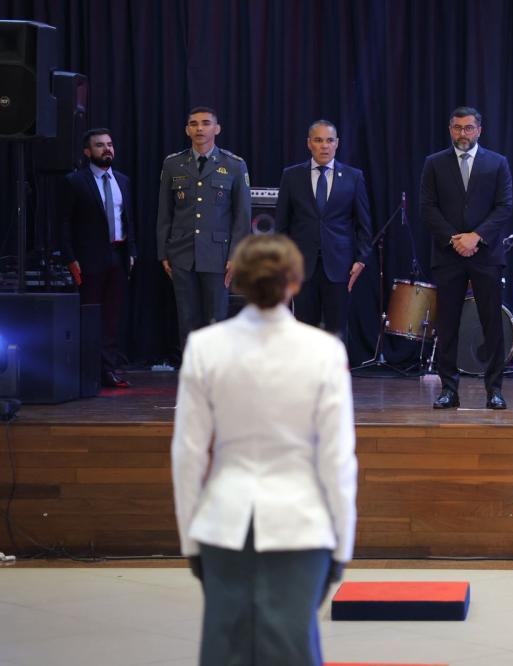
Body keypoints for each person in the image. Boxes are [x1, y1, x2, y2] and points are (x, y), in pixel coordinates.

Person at [171, 234, 357, 666]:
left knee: (225, 652)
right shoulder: (324, 351)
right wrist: (343, 545)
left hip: (222, 523)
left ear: (237, 279)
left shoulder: (205, 346)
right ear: (295, 281)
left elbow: (188, 456)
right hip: (301, 525)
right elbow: (337, 461)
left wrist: (189, 541)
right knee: (294, 651)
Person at [419, 106, 513, 410]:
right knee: (447, 324)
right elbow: (428, 207)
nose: (463, 133)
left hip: (485, 254)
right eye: (458, 127)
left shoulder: (497, 163)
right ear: (450, 129)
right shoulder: (434, 163)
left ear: (479, 130)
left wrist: (476, 237)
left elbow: (504, 206)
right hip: (448, 255)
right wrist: (454, 239)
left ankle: (494, 389)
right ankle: (448, 389)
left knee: (491, 324)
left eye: (469, 128)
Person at [157, 106, 251, 354]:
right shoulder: (173, 164)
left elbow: (242, 216)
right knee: (187, 318)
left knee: (216, 318)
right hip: (182, 252)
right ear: (187, 130)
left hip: (218, 255)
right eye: (194, 124)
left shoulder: (234, 165)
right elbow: (164, 212)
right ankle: (193, 373)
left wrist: (236, 255)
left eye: (206, 123)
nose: (200, 128)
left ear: (216, 128)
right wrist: (163, 252)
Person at [275, 120, 372, 339]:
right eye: (318, 140)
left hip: (340, 267)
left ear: (337, 143)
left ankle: (334, 373)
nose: (324, 146)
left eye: (329, 140)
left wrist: (362, 259)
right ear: (309, 143)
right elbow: (281, 225)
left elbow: (364, 224)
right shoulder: (291, 176)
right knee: (303, 330)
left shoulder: (353, 177)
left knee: (337, 330)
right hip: (302, 267)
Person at [59, 128, 137, 388]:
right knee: (89, 316)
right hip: (88, 259)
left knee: (112, 317)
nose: (107, 149)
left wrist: (132, 252)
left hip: (118, 256)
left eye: (110, 144)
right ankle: (86, 371)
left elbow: (128, 220)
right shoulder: (75, 181)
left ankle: (108, 369)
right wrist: (70, 258)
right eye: (100, 145)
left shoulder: (122, 181)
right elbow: (63, 223)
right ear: (87, 151)